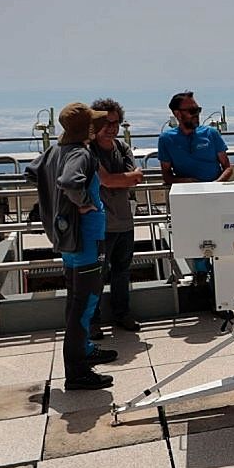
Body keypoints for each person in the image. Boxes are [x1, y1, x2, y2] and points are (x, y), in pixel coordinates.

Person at [26, 102, 119, 390]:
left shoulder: (55, 150)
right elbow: (69, 181)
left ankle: (85, 349)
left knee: (76, 300)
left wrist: (54, 202)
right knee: (85, 303)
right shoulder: (80, 153)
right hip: (85, 239)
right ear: (88, 128)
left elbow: (33, 172)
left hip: (68, 239)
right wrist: (83, 203)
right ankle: (77, 372)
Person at [157, 91, 234, 307]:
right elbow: (166, 176)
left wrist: (214, 186)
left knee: (220, 249)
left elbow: (228, 167)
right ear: (177, 113)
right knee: (197, 246)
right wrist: (187, 182)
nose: (196, 114)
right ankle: (204, 293)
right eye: (191, 110)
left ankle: (223, 298)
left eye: (198, 109)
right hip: (188, 203)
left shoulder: (210, 134)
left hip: (216, 200)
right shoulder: (167, 139)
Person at [89, 98, 145, 332]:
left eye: (116, 123)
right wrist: (123, 179)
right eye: (106, 123)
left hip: (124, 222)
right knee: (96, 276)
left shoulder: (122, 148)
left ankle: (122, 314)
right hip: (100, 225)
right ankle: (92, 321)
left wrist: (121, 180)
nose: (112, 128)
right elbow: (107, 180)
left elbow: (138, 176)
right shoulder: (88, 151)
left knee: (122, 272)